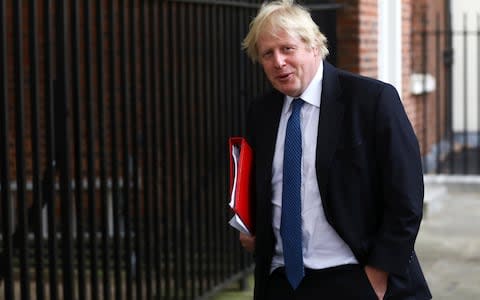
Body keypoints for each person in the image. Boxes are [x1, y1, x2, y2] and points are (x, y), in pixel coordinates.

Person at [239, 0, 432, 299]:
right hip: (280, 280)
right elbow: (261, 188)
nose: (278, 62)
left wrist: (377, 277)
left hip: (353, 276)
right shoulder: (261, 113)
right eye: (267, 54)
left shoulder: (372, 101)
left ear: (314, 46)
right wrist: (255, 229)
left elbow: (406, 197)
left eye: (287, 49)